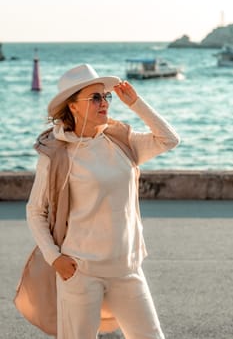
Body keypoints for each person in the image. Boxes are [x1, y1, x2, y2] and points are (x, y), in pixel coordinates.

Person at [21, 64, 180, 339]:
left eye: (105, 96)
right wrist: (55, 258)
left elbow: (169, 139)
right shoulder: (56, 154)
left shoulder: (120, 141)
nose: (104, 102)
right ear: (73, 107)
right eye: (95, 98)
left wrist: (136, 104)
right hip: (81, 271)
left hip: (126, 267)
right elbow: (36, 211)